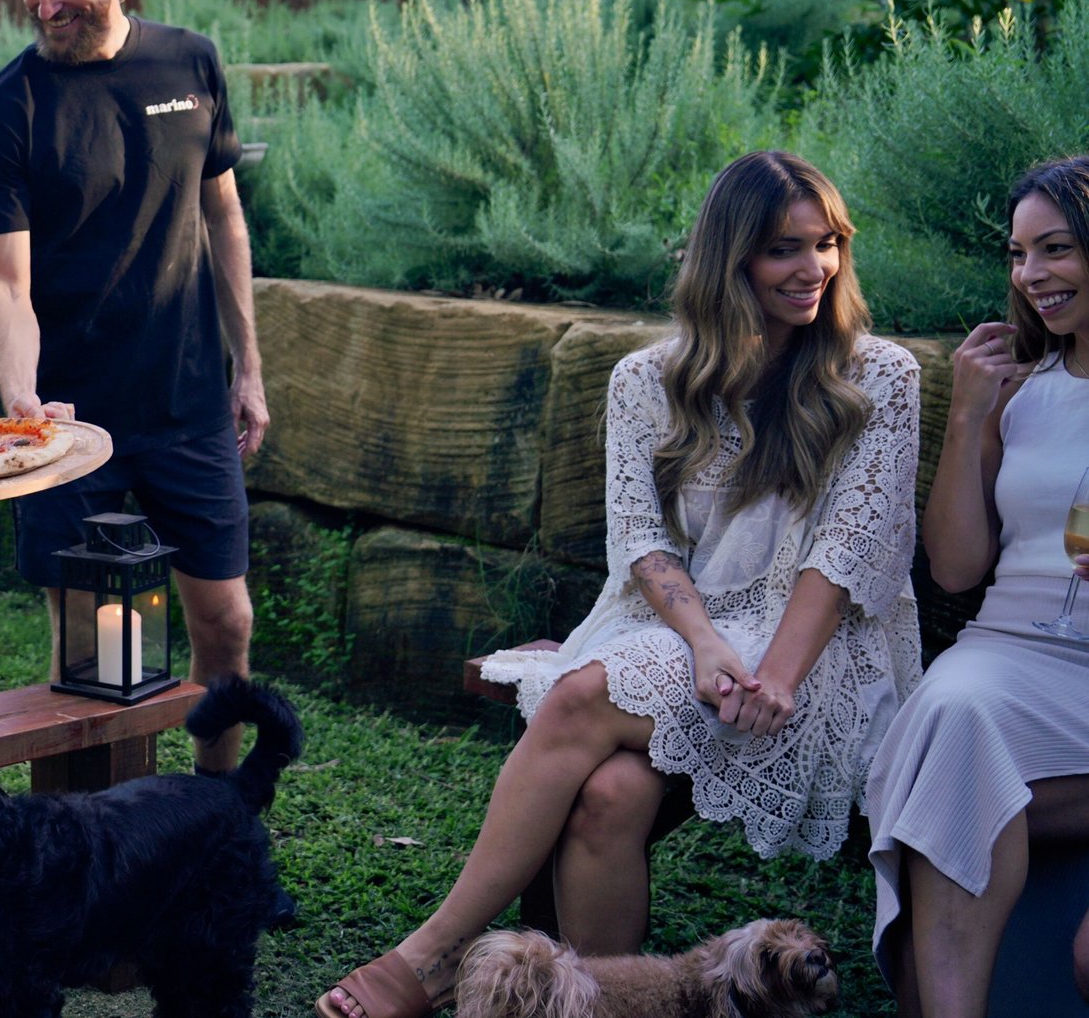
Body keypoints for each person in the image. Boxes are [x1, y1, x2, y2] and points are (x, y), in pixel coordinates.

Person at [316, 151, 925, 1018]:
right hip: (681, 632)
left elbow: (849, 552)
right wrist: (705, 641)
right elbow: (642, 543)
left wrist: (777, 674)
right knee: (609, 796)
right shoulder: (645, 380)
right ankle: (596, 1003)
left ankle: (437, 954)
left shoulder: (879, 377)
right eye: (784, 249)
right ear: (731, 259)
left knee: (576, 699)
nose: (813, 269)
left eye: (827, 244)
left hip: (814, 649)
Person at [0, 0, 268, 775]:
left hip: (186, 400)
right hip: (67, 427)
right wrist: (23, 401)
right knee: (99, 656)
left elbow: (225, 219)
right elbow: (4, 286)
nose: (46, 5)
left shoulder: (190, 64)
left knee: (227, 620)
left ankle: (220, 824)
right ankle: (101, 849)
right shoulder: (7, 112)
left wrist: (249, 366)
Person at [864, 156, 1089, 1018]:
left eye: (1056, 250)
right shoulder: (1019, 392)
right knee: (955, 714)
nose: (1032, 277)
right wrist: (966, 416)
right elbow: (957, 568)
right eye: (1019, 254)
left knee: (943, 779)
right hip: (1005, 654)